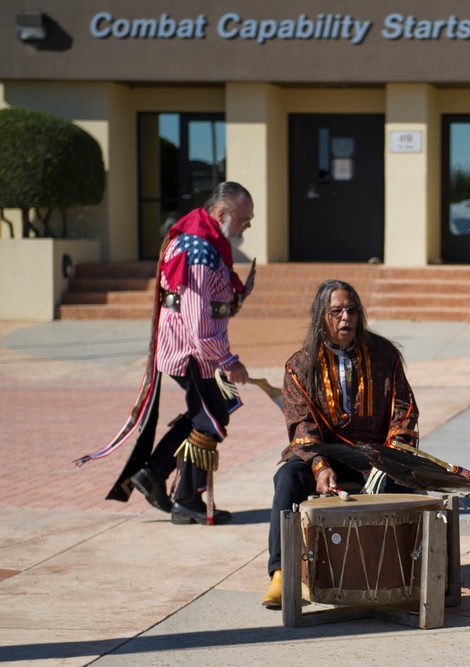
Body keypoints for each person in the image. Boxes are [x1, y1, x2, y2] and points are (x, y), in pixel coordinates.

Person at [85, 181, 255, 526]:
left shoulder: (207, 241)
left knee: (207, 413)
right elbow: (196, 319)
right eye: (244, 219)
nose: (247, 227)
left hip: (194, 350)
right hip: (193, 351)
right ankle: (184, 498)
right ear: (222, 214)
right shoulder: (199, 248)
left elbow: (208, 304)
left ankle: (156, 473)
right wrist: (228, 360)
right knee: (211, 416)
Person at [262, 279, 419, 609]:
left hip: (373, 454)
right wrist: (320, 466)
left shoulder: (384, 355)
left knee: (401, 481)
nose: (345, 318)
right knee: (287, 478)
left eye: (351, 310)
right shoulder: (300, 365)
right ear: (321, 316)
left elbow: (403, 409)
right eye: (336, 312)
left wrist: (388, 458)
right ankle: (280, 573)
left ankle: (398, 571)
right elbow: (300, 422)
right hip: (320, 454)